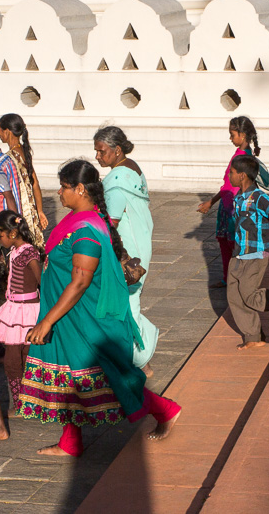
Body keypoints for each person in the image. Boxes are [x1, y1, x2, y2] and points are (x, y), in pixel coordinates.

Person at [16, 159, 182, 456]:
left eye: (64, 187)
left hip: (85, 318)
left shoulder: (87, 231)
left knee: (104, 377)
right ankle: (71, 442)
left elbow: (80, 281)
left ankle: (165, 410)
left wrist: (48, 321)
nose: (59, 192)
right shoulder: (82, 220)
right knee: (72, 373)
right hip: (72, 316)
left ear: (80, 189)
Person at [94, 126, 159, 371]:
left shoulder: (118, 180)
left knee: (127, 302)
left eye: (102, 151)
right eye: (96, 152)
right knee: (129, 301)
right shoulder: (132, 168)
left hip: (128, 248)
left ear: (117, 149)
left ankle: (140, 358)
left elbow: (111, 223)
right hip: (140, 241)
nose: (98, 157)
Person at [196, 116, 264, 286]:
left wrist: (211, 202)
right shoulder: (243, 154)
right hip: (230, 205)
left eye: (232, 135)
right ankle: (229, 278)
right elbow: (228, 184)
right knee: (227, 245)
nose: (231, 138)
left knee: (235, 245)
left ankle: (236, 278)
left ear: (242, 135)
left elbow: (234, 184)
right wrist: (212, 202)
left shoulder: (243, 156)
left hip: (235, 207)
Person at [226, 155, 269, 350]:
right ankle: (253, 336)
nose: (229, 176)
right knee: (234, 296)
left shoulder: (259, 198)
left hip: (256, 254)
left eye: (231, 173)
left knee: (249, 294)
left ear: (241, 175)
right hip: (239, 254)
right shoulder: (239, 198)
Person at [0, 210, 42, 415]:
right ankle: (21, 403)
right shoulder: (15, 251)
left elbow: (41, 279)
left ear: (12, 233)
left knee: (24, 357)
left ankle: (27, 403)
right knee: (14, 359)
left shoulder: (28, 252)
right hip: (16, 310)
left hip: (27, 311)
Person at [0, 114, 49, 246]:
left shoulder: (8, 158)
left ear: (7, 131)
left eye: (0, 130)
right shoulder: (23, 151)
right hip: (31, 209)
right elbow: (35, 184)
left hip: (20, 208)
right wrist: (39, 211)